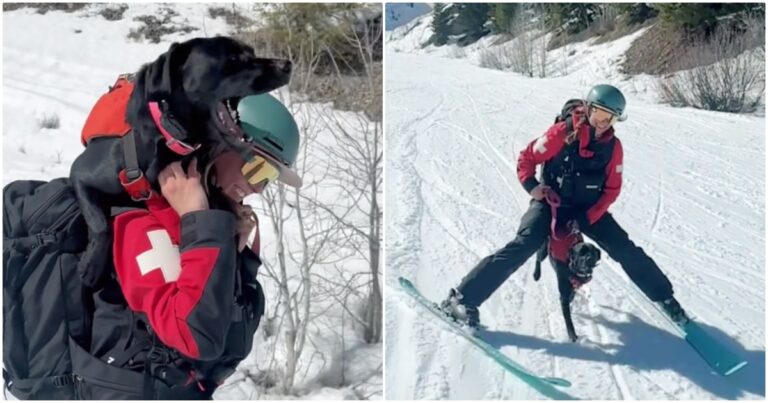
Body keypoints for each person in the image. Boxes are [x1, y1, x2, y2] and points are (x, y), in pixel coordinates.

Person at [83, 94, 302, 399]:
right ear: (218, 144)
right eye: (257, 169)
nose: (258, 188)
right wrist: (203, 225)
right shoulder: (142, 225)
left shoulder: (215, 229)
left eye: (268, 178)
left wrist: (231, 252)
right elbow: (196, 335)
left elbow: (229, 335)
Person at [440, 84, 688, 329]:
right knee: (525, 243)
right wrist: (533, 187)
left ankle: (665, 297)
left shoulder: (614, 147)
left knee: (625, 249)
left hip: (588, 209)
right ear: (589, 108)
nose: (602, 122)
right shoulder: (562, 132)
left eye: (609, 117)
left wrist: (587, 217)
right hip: (551, 201)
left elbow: (612, 190)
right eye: (599, 114)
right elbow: (527, 158)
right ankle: (461, 299)